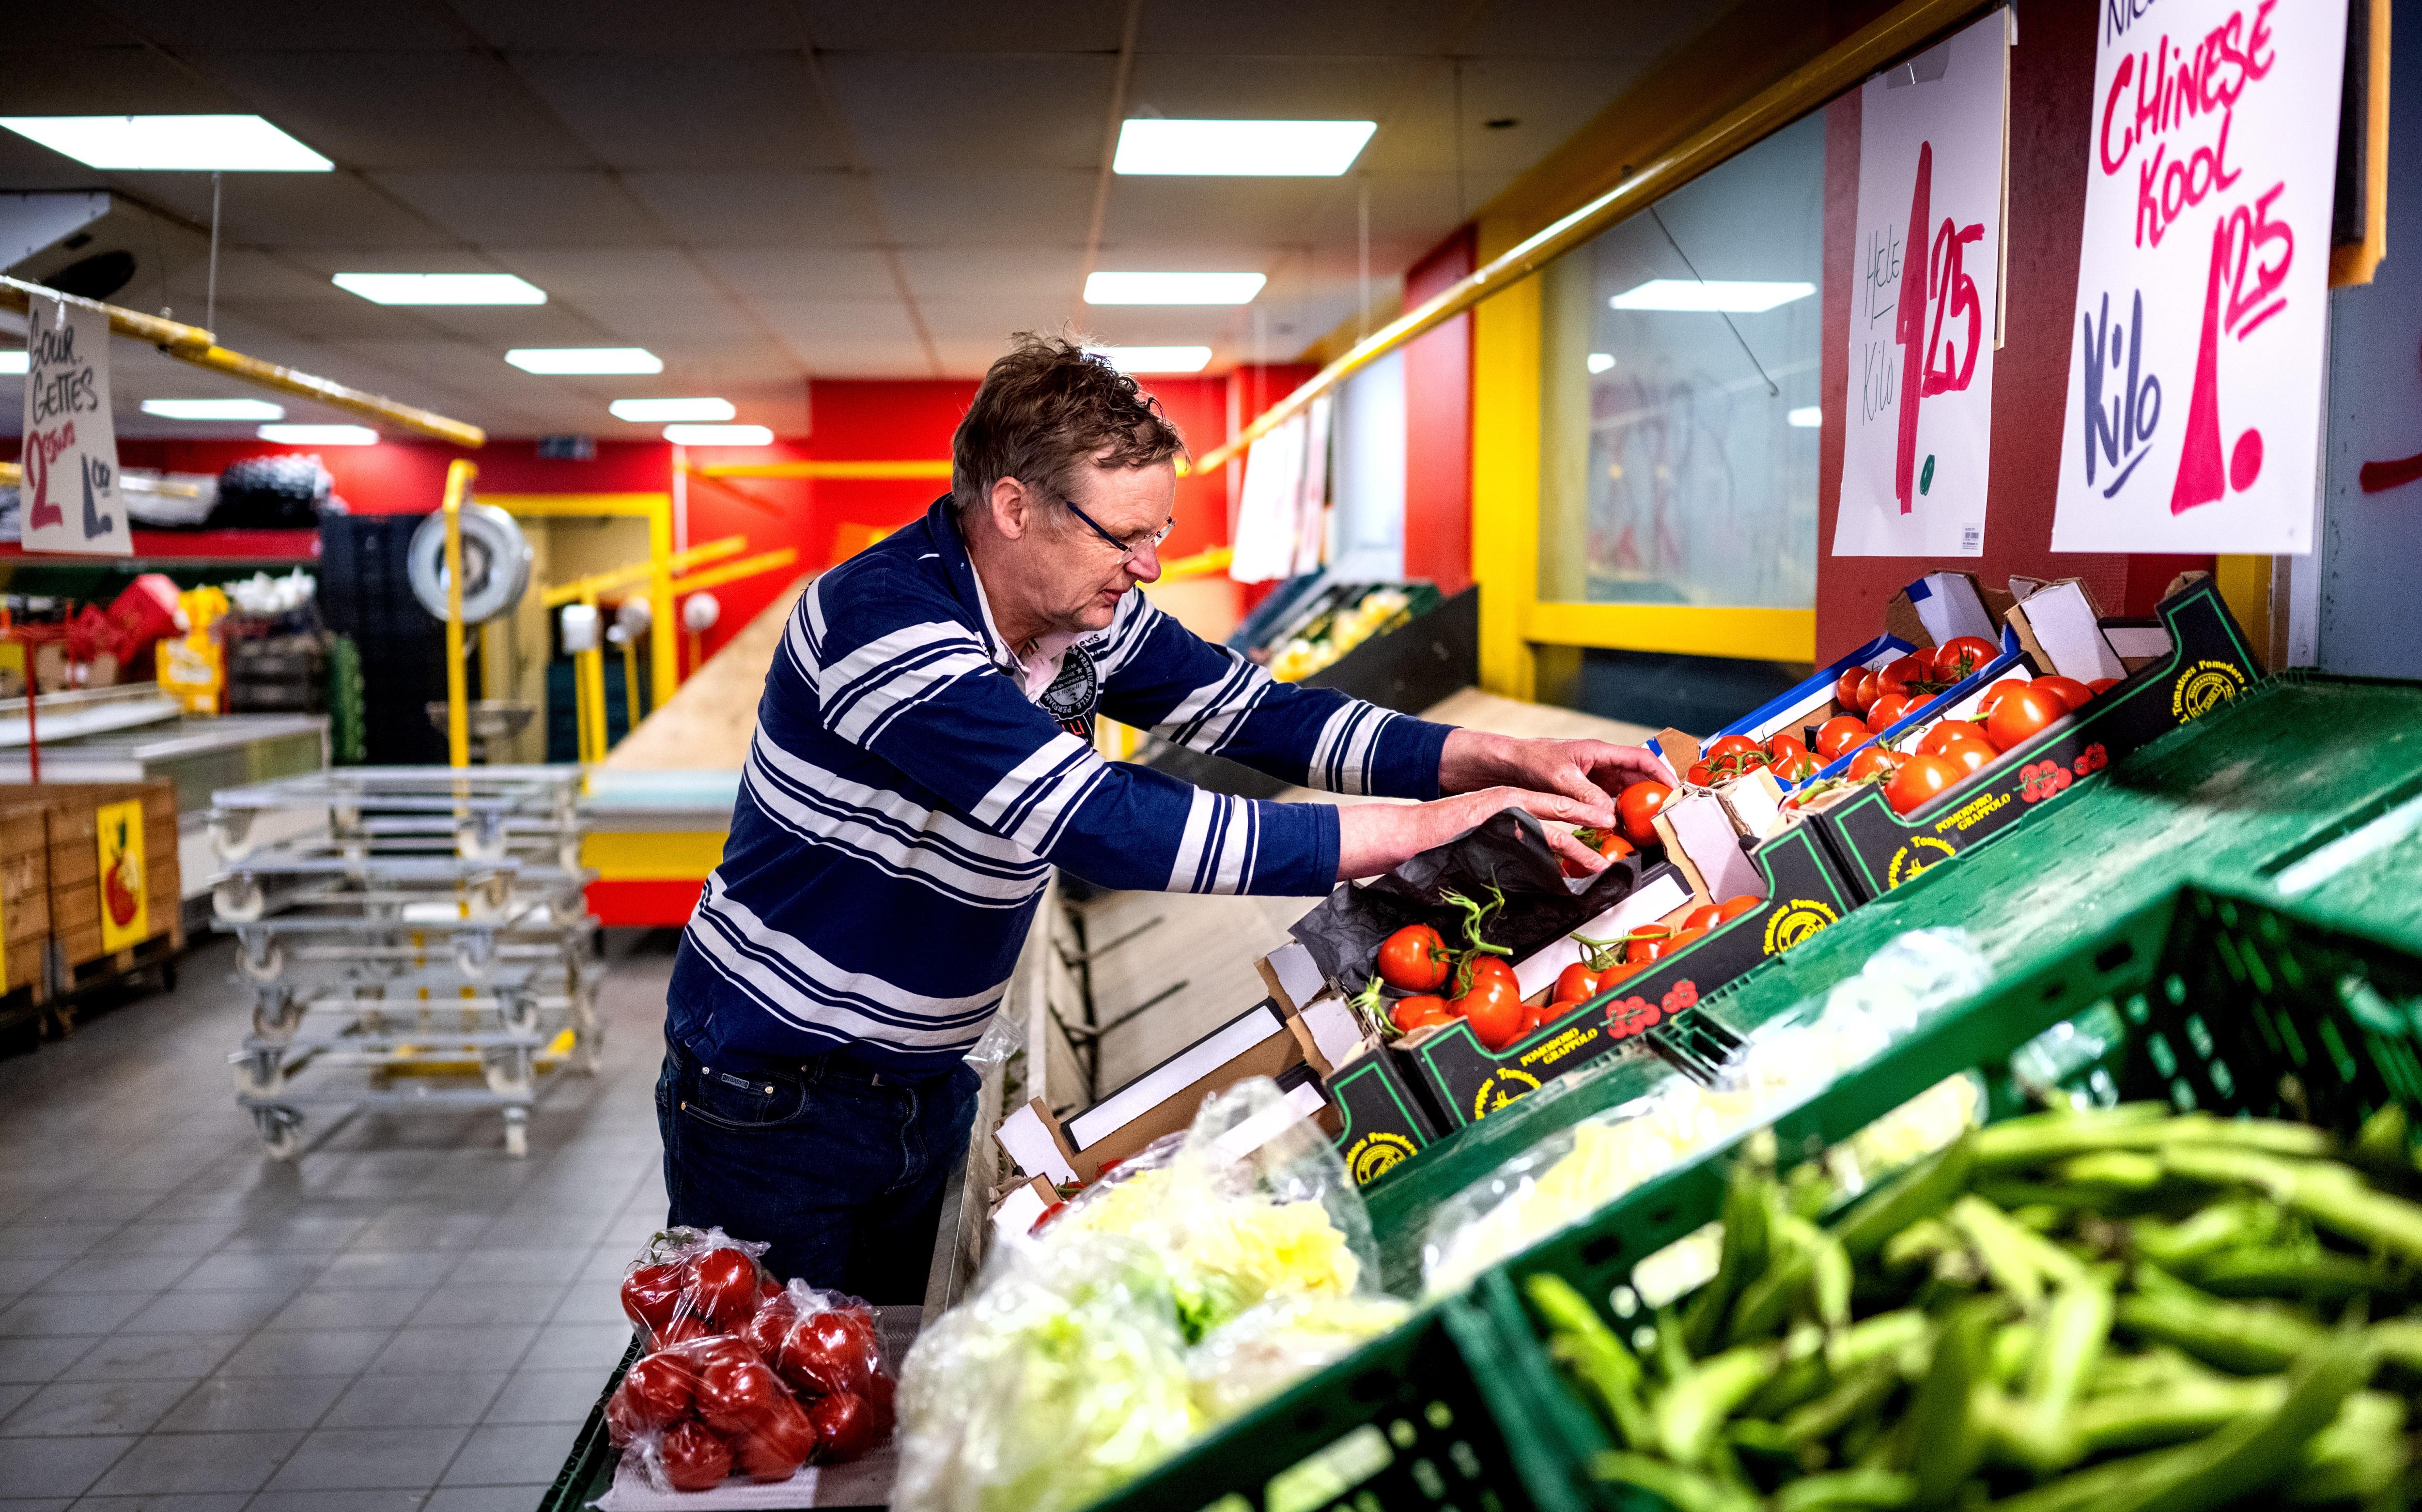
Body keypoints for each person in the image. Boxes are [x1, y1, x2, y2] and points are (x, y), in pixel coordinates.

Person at [657, 333, 1672, 1294]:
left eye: (1159, 533)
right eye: (1124, 535)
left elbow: (1265, 716)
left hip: (926, 1083)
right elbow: (1099, 818)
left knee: (893, 1379)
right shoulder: (882, 625)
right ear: (1014, 506)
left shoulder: (1081, 612)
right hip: (773, 1094)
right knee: (779, 1412)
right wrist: (1419, 829)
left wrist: (1499, 756)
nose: (1148, 565)